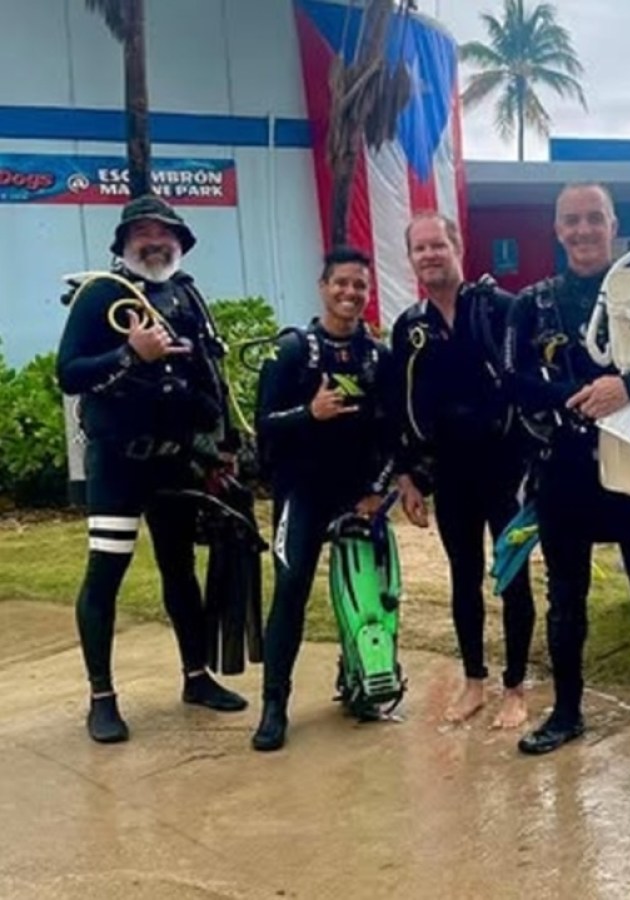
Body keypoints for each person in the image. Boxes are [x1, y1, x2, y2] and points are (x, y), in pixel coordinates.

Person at [505, 183, 630, 765]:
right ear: (557, 229)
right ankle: (566, 711)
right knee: (565, 598)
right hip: (563, 473)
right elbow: (515, 383)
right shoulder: (533, 305)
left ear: (613, 225)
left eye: (595, 218)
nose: (584, 230)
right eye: (572, 220)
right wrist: (580, 396)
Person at [56, 195, 248, 744]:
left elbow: (213, 375)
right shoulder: (100, 296)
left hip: (176, 463)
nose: (154, 240)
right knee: (107, 574)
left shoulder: (188, 296)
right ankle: (102, 698)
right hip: (119, 463)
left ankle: (196, 677)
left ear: (180, 241)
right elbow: (68, 373)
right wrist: (129, 354)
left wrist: (225, 446)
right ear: (124, 243)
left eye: (163, 232)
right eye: (142, 232)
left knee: (180, 570)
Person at [391, 211, 535, 730]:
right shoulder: (410, 329)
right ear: (411, 259)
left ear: (457, 246)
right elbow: (399, 408)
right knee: (464, 577)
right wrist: (408, 477)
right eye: (419, 249)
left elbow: (531, 385)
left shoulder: (502, 309)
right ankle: (474, 681)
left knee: (512, 577)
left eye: (438, 245)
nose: (429, 255)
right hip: (452, 475)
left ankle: (515, 686)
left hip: (507, 469)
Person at [251, 246, 396, 752]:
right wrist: (309, 415)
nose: (351, 293)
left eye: (360, 285)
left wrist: (379, 492)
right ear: (323, 286)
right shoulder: (292, 350)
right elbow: (262, 430)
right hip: (302, 493)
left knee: (370, 599)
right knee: (290, 593)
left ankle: (361, 684)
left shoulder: (378, 357)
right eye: (342, 283)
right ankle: (274, 706)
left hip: (358, 495)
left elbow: (393, 434)